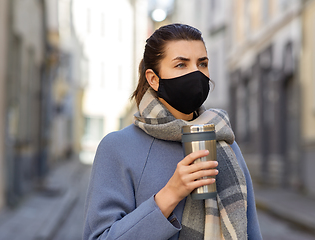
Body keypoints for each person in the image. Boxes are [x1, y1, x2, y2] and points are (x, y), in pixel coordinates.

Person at [83, 23, 262, 240]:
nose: (196, 73)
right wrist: (170, 195)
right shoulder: (117, 148)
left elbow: (250, 232)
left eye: (202, 64)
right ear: (153, 79)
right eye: (181, 65)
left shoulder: (224, 141)